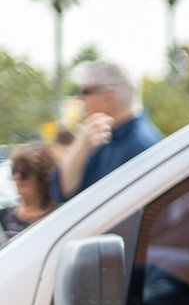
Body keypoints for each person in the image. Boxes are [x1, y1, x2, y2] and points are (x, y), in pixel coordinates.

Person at [52, 60, 162, 201]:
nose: (79, 98)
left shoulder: (141, 145)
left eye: (85, 91)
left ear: (109, 98)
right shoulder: (107, 137)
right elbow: (62, 190)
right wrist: (82, 145)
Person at [1, 142, 58, 241]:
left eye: (24, 173)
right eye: (14, 170)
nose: (17, 177)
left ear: (42, 177)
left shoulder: (58, 216)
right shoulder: (3, 217)